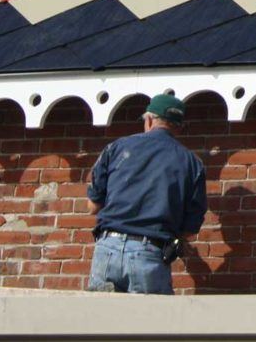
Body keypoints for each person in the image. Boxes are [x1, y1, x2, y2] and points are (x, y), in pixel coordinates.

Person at [86, 93, 207, 294]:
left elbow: (93, 206)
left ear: (149, 120)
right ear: (179, 126)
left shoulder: (116, 148)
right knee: (150, 322)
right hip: (150, 252)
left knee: (100, 321)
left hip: (107, 248)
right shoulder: (192, 163)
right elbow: (191, 228)